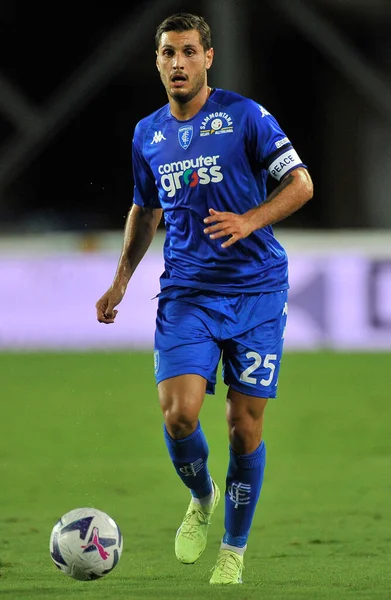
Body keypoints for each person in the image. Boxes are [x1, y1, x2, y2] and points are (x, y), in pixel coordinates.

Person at [96, 12, 313, 585]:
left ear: (208, 58)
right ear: (158, 62)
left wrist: (249, 220)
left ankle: (233, 551)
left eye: (188, 52)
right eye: (167, 53)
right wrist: (121, 278)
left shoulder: (246, 116)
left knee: (244, 426)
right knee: (179, 415)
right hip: (188, 292)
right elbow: (146, 209)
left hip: (257, 292)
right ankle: (202, 494)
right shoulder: (149, 133)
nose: (177, 63)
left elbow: (301, 183)